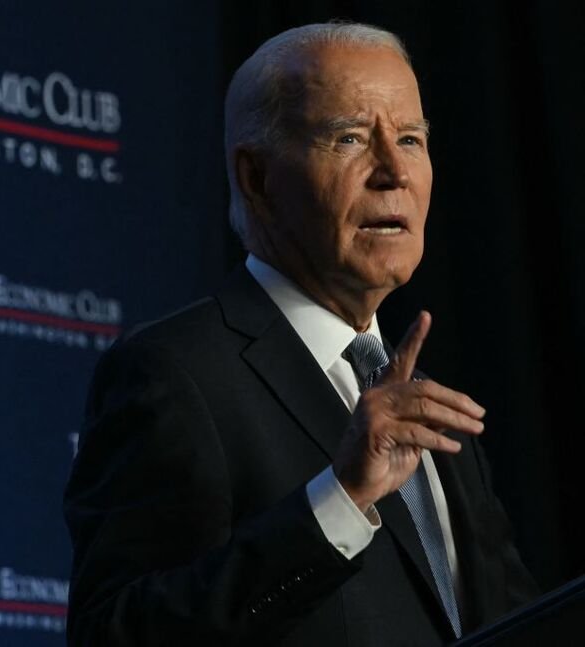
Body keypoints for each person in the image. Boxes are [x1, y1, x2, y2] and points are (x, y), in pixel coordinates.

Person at [63, 22, 537, 646]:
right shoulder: (176, 374)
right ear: (258, 180)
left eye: (411, 139)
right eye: (349, 138)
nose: (394, 171)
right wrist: (340, 499)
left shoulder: (429, 409)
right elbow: (117, 635)